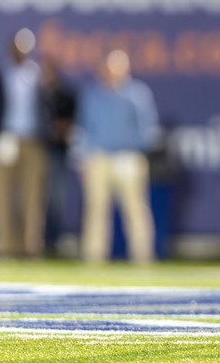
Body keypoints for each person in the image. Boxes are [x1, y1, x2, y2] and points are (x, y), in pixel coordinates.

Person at [76, 49, 159, 265]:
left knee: (135, 210)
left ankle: (143, 257)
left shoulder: (137, 94)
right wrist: (84, 157)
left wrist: (134, 152)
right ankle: (93, 258)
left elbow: (148, 131)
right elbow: (84, 129)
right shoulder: (93, 95)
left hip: (129, 159)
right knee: (96, 210)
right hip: (100, 157)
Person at [0, 28, 49, 260]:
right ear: (10, 48)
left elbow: (46, 110)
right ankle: (7, 248)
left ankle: (30, 247)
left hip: (32, 142)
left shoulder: (37, 75)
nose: (21, 51)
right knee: (2, 197)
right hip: (4, 142)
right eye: (18, 46)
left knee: (32, 198)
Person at [38, 56, 76, 257]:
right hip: (38, 152)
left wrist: (58, 130)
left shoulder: (66, 97)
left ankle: (52, 242)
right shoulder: (36, 96)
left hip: (58, 153)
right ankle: (37, 242)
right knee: (36, 200)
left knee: (57, 200)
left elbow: (70, 127)